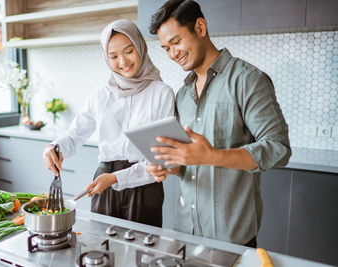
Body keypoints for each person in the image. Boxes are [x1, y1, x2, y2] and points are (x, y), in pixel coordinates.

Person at [145, 0, 291, 247]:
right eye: (166, 48)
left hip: (232, 239)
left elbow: (278, 149)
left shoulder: (247, 79)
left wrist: (211, 156)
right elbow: (186, 161)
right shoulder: (183, 94)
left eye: (176, 42)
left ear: (200, 27)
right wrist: (167, 167)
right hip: (185, 233)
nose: (172, 54)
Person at [43, 19, 175, 227]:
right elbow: (75, 133)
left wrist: (115, 178)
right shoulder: (100, 95)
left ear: (140, 47)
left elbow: (160, 159)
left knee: (142, 252)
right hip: (103, 182)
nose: (123, 61)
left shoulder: (162, 93)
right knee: (101, 246)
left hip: (144, 185)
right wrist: (54, 147)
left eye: (129, 51)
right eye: (113, 56)